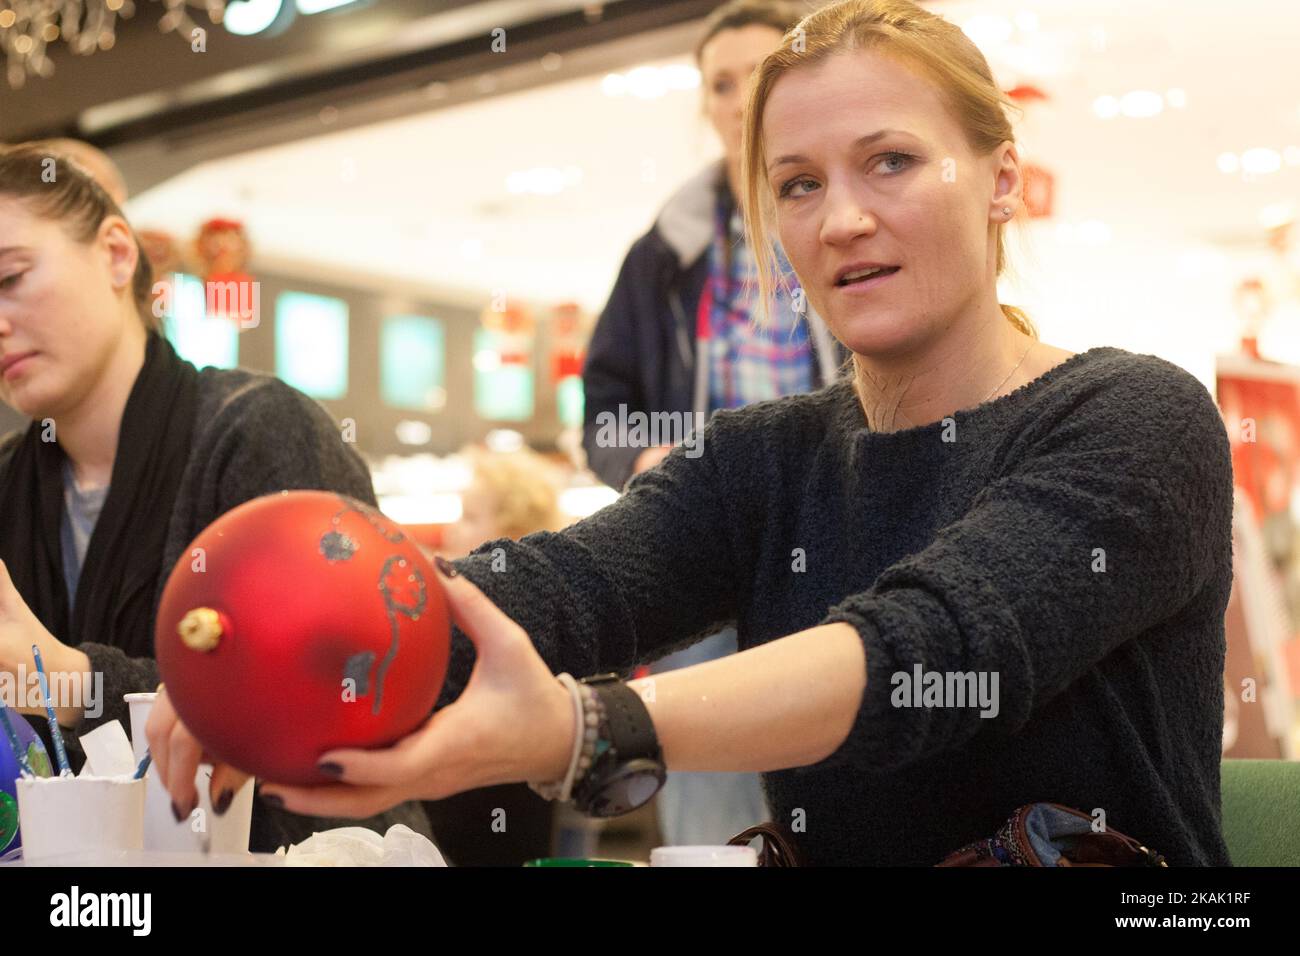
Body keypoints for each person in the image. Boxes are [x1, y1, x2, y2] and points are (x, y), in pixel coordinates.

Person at [155, 0, 1234, 866]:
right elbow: (557, 587)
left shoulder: (1139, 419)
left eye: (890, 161)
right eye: (798, 185)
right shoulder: (764, 455)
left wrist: (591, 728)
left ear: (1002, 179)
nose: (841, 218)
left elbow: (929, 652)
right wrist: (280, 661)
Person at [0, 143, 430, 852]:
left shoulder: (260, 431)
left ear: (115, 253)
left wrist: (74, 680)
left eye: (12, 277)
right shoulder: (12, 483)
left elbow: (342, 703)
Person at [583, 0, 836, 848]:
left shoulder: (840, 228)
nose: (740, 100)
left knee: (845, 767)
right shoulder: (664, 256)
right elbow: (603, 410)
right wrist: (641, 457)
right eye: (720, 84)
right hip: (708, 542)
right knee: (709, 786)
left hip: (835, 532)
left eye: (760, 76)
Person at [422, 447, 564, 865]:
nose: (451, 530)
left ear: (512, 534)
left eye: (469, 516)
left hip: (495, 803)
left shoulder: (515, 620)